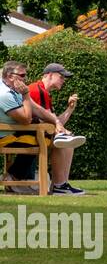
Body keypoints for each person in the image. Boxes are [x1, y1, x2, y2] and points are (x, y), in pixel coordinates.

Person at [25, 63, 87, 195]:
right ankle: (59, 185)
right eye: (61, 77)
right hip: (28, 132)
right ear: (49, 75)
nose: (63, 80)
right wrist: (62, 131)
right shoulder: (37, 90)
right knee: (63, 142)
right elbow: (51, 123)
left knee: (67, 142)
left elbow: (56, 122)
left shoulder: (44, 92)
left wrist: (70, 109)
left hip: (35, 131)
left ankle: (61, 184)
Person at [0, 61, 39, 192]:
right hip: (4, 137)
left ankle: (17, 177)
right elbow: (26, 119)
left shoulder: (13, 90)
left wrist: (56, 122)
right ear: (10, 76)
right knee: (40, 138)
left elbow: (36, 111)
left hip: (10, 133)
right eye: (22, 75)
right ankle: (14, 177)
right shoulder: (5, 94)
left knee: (41, 133)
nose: (25, 79)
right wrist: (26, 95)